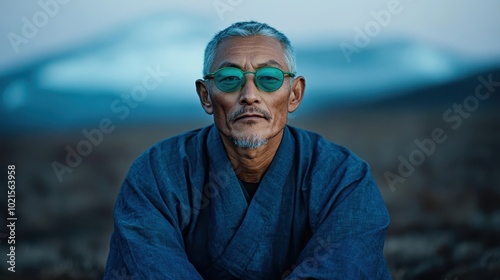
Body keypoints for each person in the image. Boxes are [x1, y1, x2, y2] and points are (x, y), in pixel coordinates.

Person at [104, 21, 391, 279]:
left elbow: (347, 267)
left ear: (294, 94)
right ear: (206, 96)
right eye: (230, 79)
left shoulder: (344, 178)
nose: (250, 96)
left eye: (269, 78)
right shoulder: (157, 174)